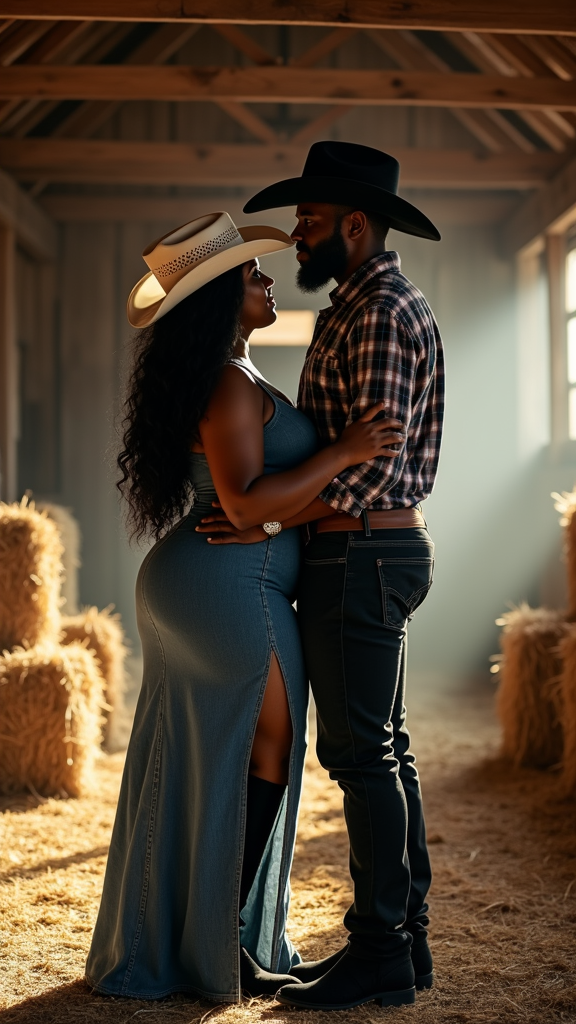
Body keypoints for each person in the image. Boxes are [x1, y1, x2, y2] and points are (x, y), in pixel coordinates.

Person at [84, 211, 405, 1003]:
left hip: (217, 580)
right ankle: (217, 943)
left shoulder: (237, 374)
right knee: (269, 743)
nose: (267, 280)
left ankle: (206, 939)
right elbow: (245, 500)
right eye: (252, 276)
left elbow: (257, 505)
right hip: (231, 585)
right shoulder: (229, 382)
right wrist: (342, 453)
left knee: (227, 752)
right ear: (223, 297)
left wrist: (271, 509)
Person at [198, 142, 444, 1010]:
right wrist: (266, 509)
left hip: (364, 548)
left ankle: (382, 945)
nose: (295, 239)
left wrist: (261, 513)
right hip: (360, 550)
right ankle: (400, 942)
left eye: (306, 223)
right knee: (384, 751)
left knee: (360, 754)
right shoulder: (353, 306)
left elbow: (365, 473)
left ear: (354, 224)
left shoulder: (378, 311)